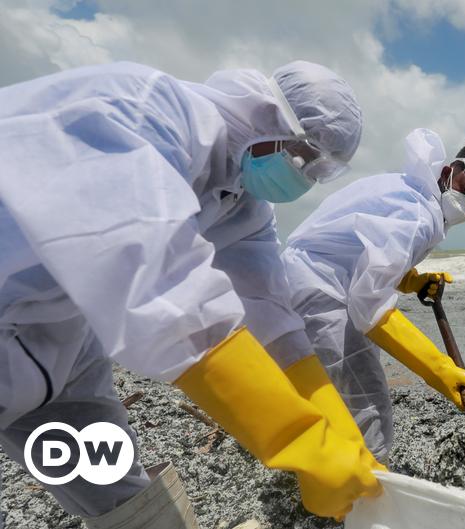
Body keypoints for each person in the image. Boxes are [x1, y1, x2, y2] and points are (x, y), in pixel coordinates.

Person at [0, 60, 382, 528]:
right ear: (270, 115)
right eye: (306, 156)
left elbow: (269, 314)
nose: (305, 177)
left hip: (62, 342)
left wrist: (335, 423)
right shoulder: (144, 111)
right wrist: (300, 439)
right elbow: (160, 288)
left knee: (118, 490)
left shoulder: (240, 199)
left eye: (322, 170)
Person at [276, 128, 465, 460]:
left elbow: (365, 254)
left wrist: (412, 281)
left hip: (305, 283)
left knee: (328, 394)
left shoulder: (409, 192)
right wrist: (439, 370)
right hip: (321, 294)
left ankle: (325, 468)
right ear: (448, 171)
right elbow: (369, 306)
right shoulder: (418, 213)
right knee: (367, 403)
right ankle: (365, 490)